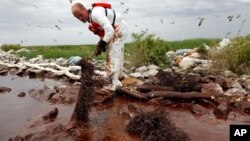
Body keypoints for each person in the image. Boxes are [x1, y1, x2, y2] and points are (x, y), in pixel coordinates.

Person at [70, 0, 128, 91]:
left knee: (113, 55)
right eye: (78, 18)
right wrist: (100, 46)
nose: (80, 18)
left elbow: (110, 31)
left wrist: (103, 43)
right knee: (116, 53)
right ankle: (119, 76)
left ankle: (113, 83)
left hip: (119, 28)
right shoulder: (91, 22)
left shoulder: (95, 14)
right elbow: (103, 34)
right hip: (117, 28)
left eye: (80, 15)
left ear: (84, 9)